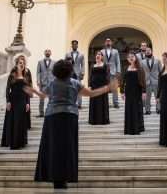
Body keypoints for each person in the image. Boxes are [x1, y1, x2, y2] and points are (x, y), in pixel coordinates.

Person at [24, 60, 118, 189]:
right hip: (69, 117)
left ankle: (54, 177)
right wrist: (108, 88)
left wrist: (32, 90)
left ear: (56, 71)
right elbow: (91, 94)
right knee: (67, 147)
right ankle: (64, 178)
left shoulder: (52, 83)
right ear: (69, 70)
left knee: (52, 147)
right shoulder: (75, 83)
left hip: (52, 117)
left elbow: (42, 95)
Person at [1, 58, 30, 149]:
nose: (22, 64)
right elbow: (7, 89)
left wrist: (28, 103)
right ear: (16, 64)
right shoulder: (12, 75)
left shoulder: (26, 76)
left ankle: (20, 142)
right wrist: (8, 101)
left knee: (20, 120)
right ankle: (11, 141)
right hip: (13, 100)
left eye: (23, 63)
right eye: (20, 63)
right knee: (12, 120)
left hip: (22, 100)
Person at [121, 52, 146, 135]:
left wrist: (144, 92)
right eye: (129, 57)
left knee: (137, 109)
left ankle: (137, 127)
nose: (131, 58)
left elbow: (143, 81)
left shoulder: (140, 68)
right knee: (129, 109)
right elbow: (123, 81)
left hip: (137, 92)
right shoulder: (125, 68)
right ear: (127, 59)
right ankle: (129, 128)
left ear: (135, 58)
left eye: (132, 56)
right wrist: (122, 92)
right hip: (128, 92)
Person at [89, 51, 110, 125]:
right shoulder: (92, 65)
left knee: (102, 102)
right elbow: (91, 76)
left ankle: (103, 119)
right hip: (94, 86)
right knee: (94, 102)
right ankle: (94, 120)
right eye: (97, 54)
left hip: (102, 86)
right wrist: (90, 85)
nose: (98, 56)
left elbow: (107, 75)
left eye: (99, 54)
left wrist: (106, 85)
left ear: (102, 57)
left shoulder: (105, 65)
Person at [101, 38, 121, 108]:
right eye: (106, 41)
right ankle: (105, 103)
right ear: (105, 43)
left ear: (111, 43)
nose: (108, 42)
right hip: (104, 72)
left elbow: (118, 61)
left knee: (114, 88)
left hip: (113, 71)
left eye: (109, 41)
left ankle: (116, 103)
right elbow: (100, 61)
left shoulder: (115, 51)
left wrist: (118, 71)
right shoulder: (102, 51)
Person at [142, 47, 162, 115]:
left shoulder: (158, 60)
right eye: (146, 51)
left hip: (156, 81)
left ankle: (159, 109)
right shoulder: (142, 61)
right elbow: (141, 73)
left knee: (158, 96)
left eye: (149, 50)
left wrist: (161, 80)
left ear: (151, 51)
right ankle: (147, 110)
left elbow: (161, 71)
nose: (147, 52)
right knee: (147, 98)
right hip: (147, 81)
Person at [65, 40, 85, 108]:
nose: (74, 45)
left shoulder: (81, 55)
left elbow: (82, 65)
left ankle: (79, 104)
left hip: (78, 74)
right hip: (70, 73)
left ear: (77, 45)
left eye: (76, 44)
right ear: (71, 45)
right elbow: (65, 64)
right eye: (73, 44)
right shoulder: (67, 54)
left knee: (78, 88)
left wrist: (82, 73)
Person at [15, 55, 33, 129]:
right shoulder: (15, 71)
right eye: (20, 60)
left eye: (23, 60)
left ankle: (26, 124)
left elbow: (30, 81)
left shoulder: (27, 71)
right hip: (17, 92)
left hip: (26, 90)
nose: (22, 61)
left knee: (27, 106)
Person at [36, 49, 55, 117]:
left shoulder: (54, 62)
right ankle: (41, 113)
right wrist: (38, 81)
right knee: (41, 99)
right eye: (46, 51)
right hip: (43, 83)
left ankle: (51, 112)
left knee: (51, 99)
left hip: (51, 83)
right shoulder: (40, 62)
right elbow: (38, 72)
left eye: (49, 51)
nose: (47, 52)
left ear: (51, 53)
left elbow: (55, 73)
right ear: (44, 53)